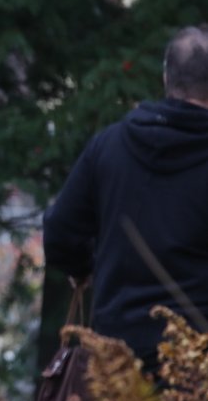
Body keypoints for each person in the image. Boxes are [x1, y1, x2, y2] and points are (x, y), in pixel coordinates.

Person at [43, 25, 208, 374]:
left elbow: (60, 232)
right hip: (198, 360)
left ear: (166, 76)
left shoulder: (110, 145)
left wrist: (81, 267)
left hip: (117, 357)